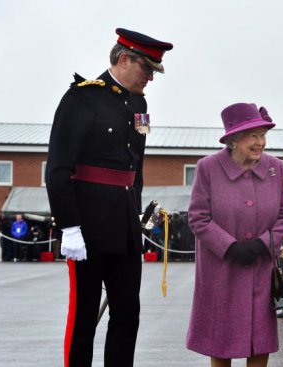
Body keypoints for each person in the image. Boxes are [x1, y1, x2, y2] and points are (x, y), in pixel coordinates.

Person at [45, 28, 172, 366]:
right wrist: (69, 226)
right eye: (146, 68)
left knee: (128, 312)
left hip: (125, 225)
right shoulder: (81, 98)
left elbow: (137, 166)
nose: (150, 78)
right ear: (124, 58)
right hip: (87, 225)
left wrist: (135, 215)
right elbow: (58, 169)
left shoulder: (139, 104)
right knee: (84, 315)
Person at [186, 103, 283, 367]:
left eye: (263, 135)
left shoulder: (276, 168)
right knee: (220, 339)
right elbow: (198, 217)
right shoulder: (208, 168)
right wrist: (230, 247)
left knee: (260, 338)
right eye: (254, 136)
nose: (261, 143)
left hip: (261, 266)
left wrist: (262, 244)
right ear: (234, 139)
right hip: (221, 268)